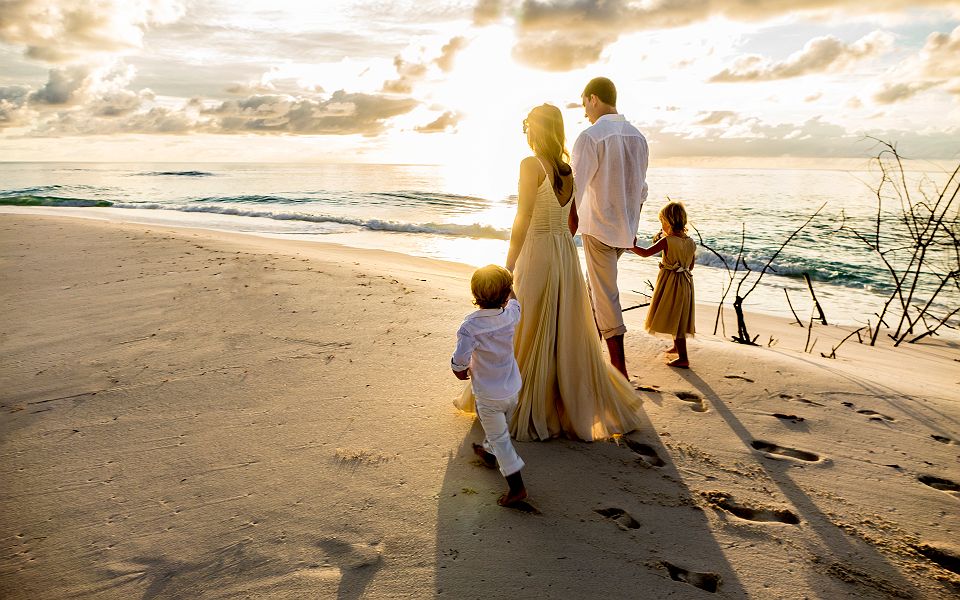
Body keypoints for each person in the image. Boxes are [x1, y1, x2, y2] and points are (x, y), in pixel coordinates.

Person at [453, 103, 643, 442]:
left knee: (527, 323)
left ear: (534, 130)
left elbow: (523, 218)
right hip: (565, 254)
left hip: (539, 251)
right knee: (559, 327)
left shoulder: (530, 164)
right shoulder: (568, 170)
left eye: (527, 126)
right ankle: (560, 400)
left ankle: (524, 399)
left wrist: (508, 265)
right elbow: (573, 220)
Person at [570, 76, 649, 378]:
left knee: (605, 295)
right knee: (597, 292)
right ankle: (590, 356)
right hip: (625, 230)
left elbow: (576, 190)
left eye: (584, 104)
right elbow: (640, 188)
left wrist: (568, 228)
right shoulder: (638, 137)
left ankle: (619, 372)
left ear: (593, 98)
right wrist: (633, 224)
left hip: (599, 228)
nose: (584, 112)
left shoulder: (590, 136)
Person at [451, 264, 527, 506]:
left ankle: (517, 489)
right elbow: (516, 303)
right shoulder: (510, 315)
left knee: (501, 438)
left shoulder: (470, 327)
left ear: (474, 295)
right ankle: (488, 452)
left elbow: (461, 358)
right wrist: (510, 289)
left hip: (488, 393)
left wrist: (458, 369)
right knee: (499, 429)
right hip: (513, 387)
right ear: (505, 295)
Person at [631, 202, 696, 368]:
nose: (662, 227)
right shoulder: (691, 242)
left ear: (668, 222)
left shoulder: (668, 241)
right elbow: (690, 266)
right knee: (679, 315)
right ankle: (677, 347)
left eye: (662, 223)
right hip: (686, 283)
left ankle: (684, 358)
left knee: (674, 316)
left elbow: (645, 253)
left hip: (670, 283)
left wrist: (630, 245)